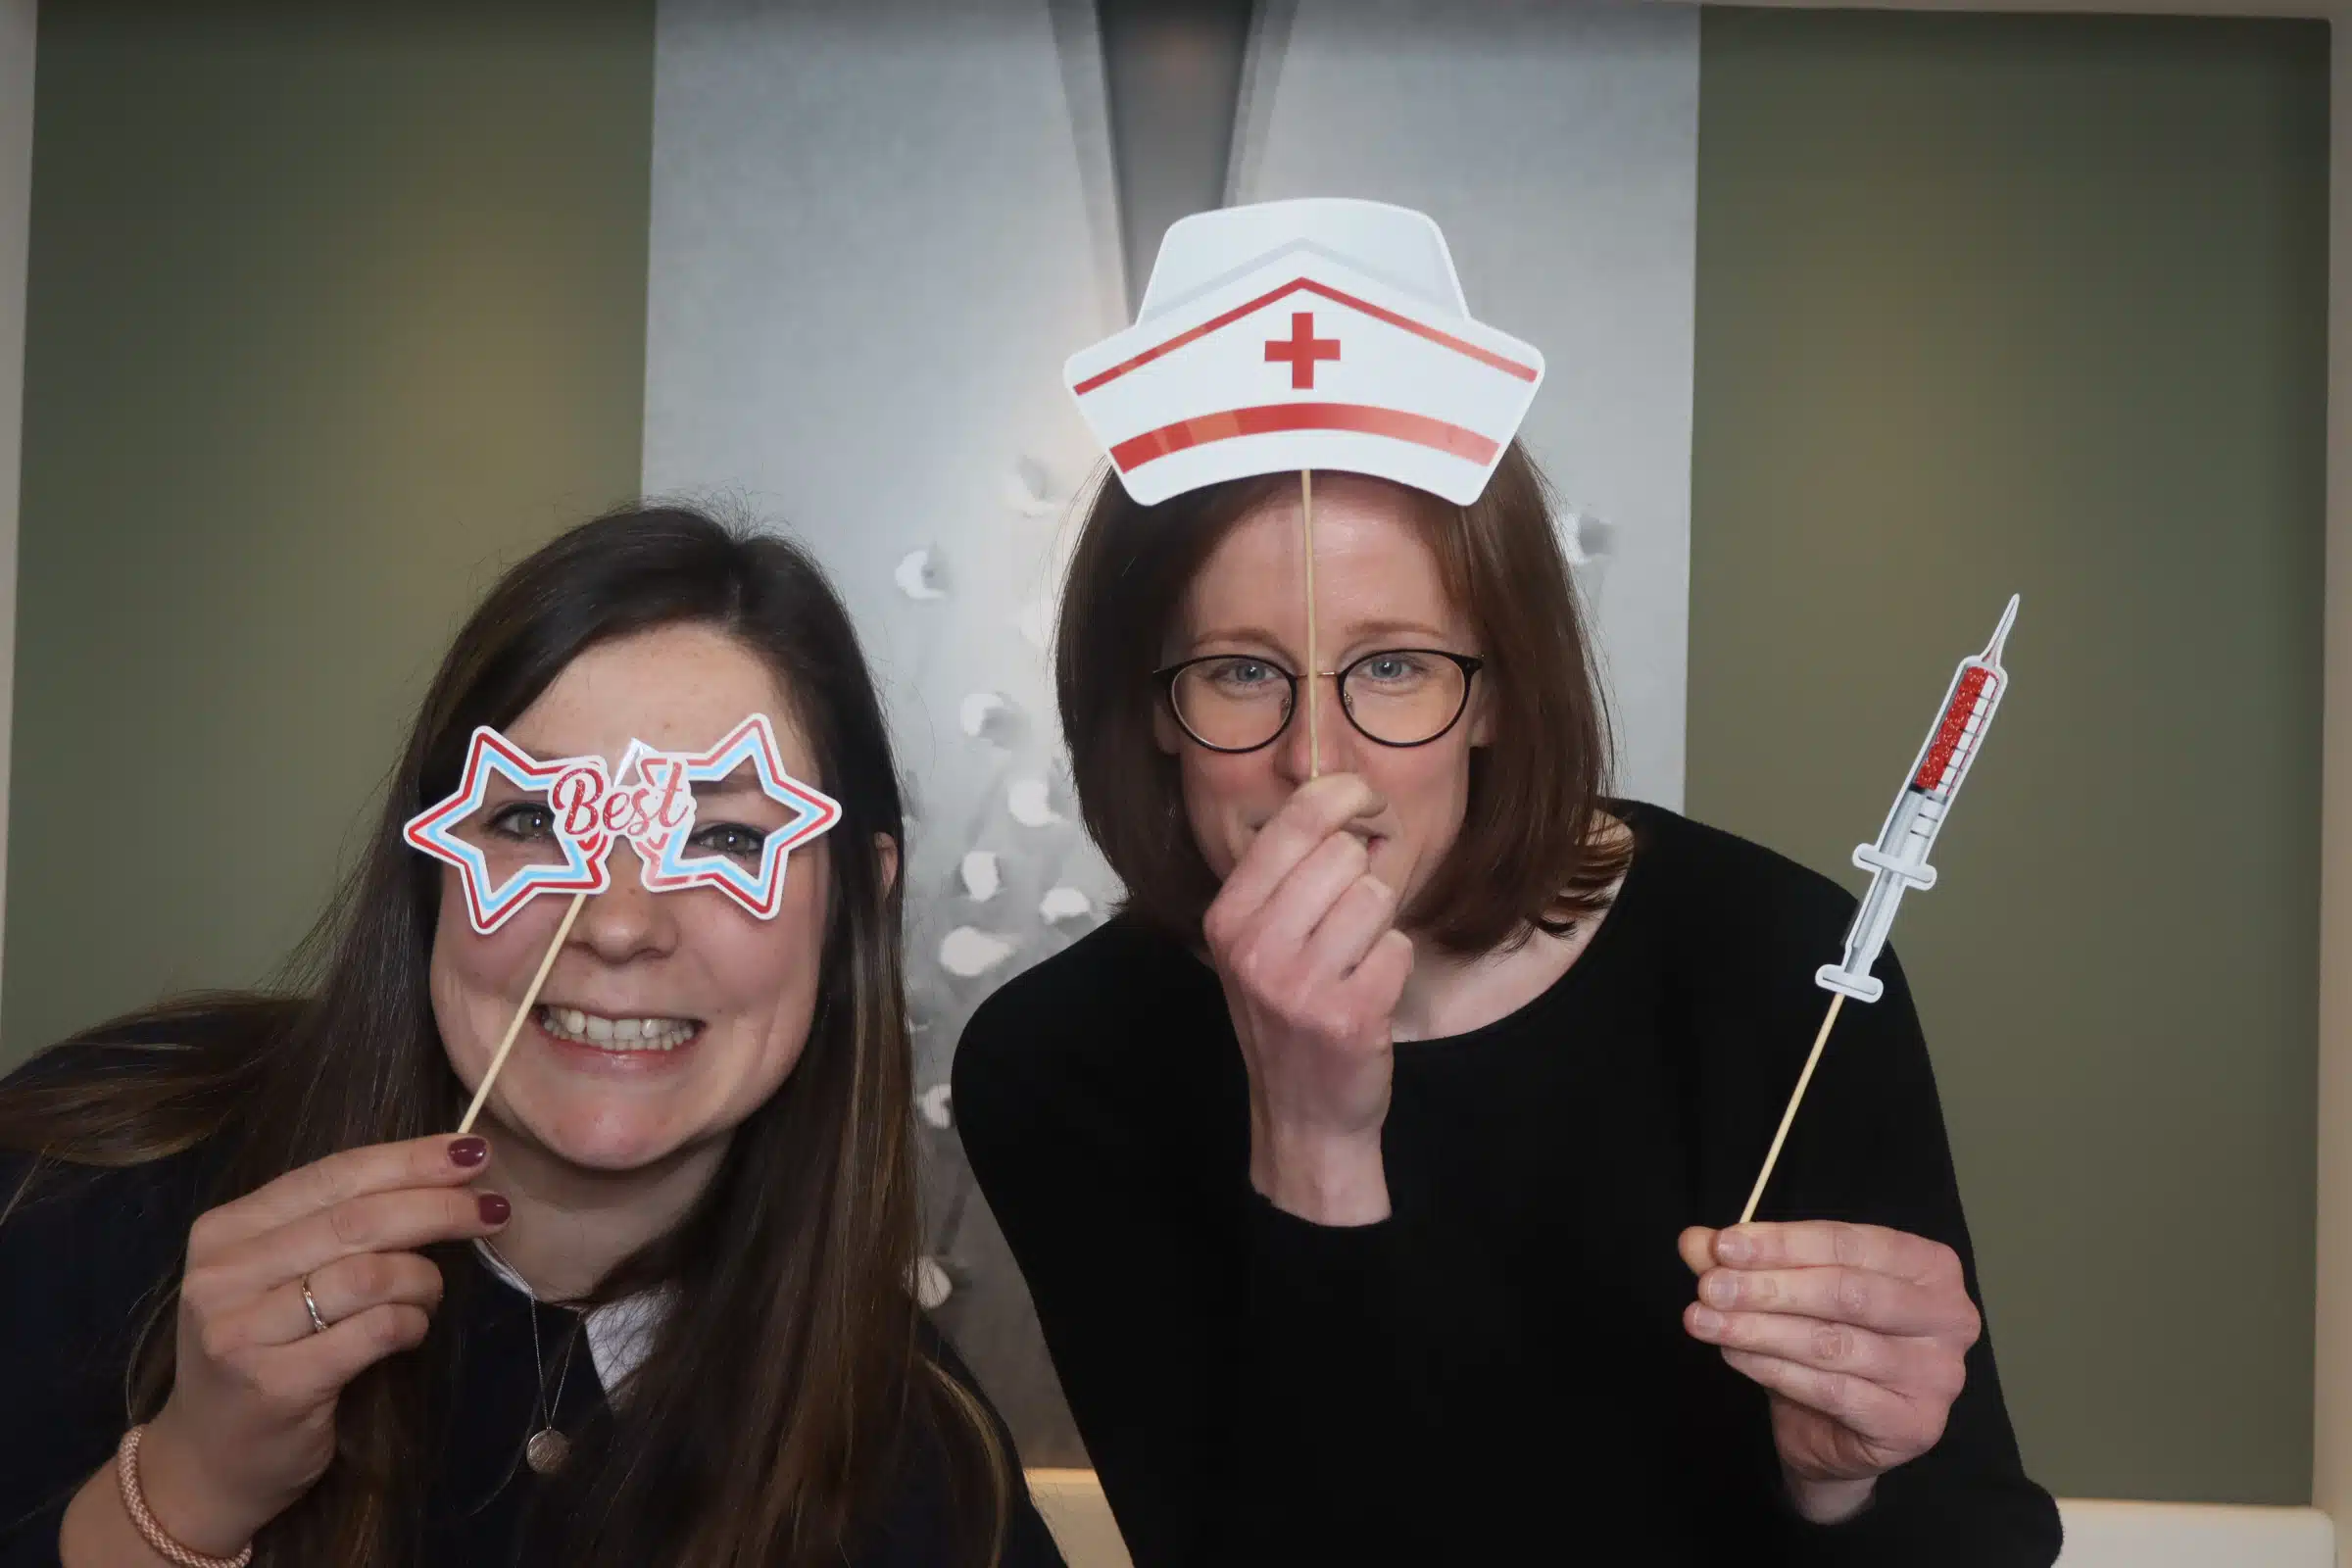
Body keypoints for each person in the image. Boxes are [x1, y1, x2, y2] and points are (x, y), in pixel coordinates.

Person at [954, 448, 2063, 1565]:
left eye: (1395, 665)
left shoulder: (1780, 960)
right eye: (1240, 672)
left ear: (1492, 695)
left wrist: (1839, 1487)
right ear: (1152, 709)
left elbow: (1978, 1538)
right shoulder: (1059, 1059)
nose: (1316, 762)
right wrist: (1313, 1146)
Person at [0, 507, 1065, 1568]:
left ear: (855, 908)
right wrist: (190, 1487)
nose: (619, 923)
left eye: (726, 838)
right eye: (535, 821)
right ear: (434, 868)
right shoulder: (91, 1178)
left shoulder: (929, 1474)